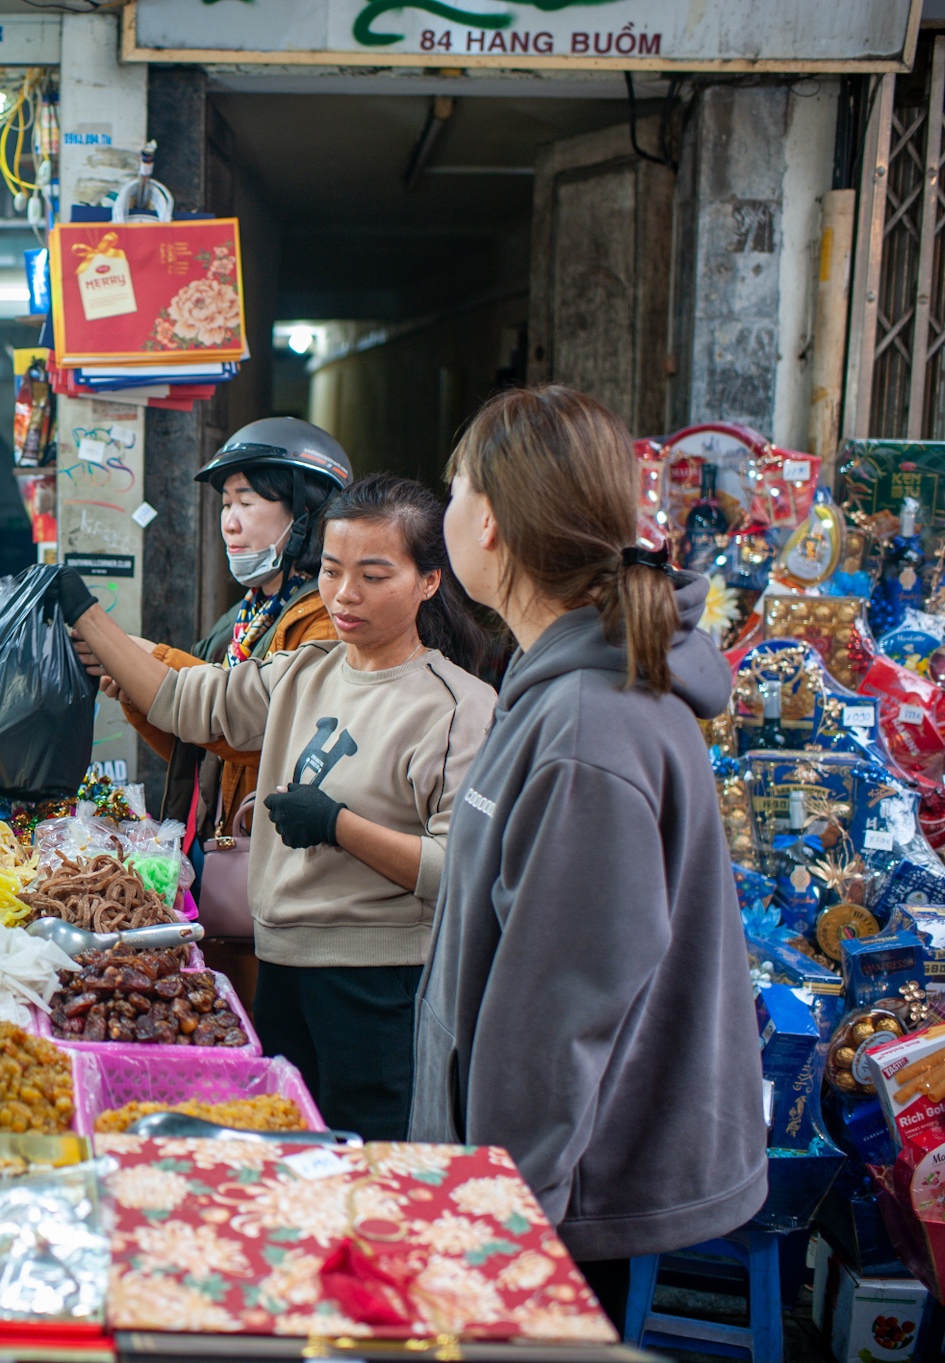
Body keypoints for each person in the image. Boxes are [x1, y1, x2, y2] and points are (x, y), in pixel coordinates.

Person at [411, 385, 766, 1328]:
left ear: (490, 520)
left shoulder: (585, 728)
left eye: (453, 488)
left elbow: (556, 1018)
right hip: (528, 1188)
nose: (446, 511)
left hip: (545, 1210)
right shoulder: (558, 688)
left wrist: (497, 1231)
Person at [58, 474, 496, 1139]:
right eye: (332, 570)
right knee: (288, 1148)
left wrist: (338, 826)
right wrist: (85, 611)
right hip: (283, 965)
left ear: (429, 581)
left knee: (362, 1157)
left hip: (381, 982)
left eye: (374, 576)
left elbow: (459, 867)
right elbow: (184, 701)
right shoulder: (305, 669)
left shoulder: (457, 706)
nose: (345, 594)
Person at [114, 419, 350, 858]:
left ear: (305, 513)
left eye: (246, 502)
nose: (229, 524)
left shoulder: (326, 618)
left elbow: (262, 737)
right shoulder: (244, 616)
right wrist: (136, 691)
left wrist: (154, 662)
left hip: (278, 852)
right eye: (225, 505)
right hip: (219, 839)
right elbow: (201, 744)